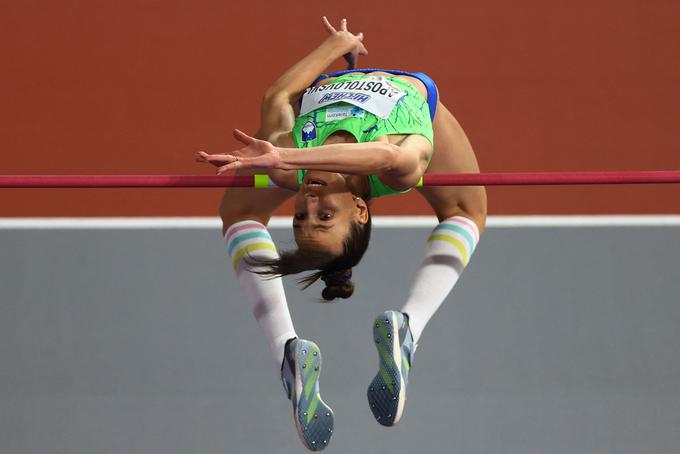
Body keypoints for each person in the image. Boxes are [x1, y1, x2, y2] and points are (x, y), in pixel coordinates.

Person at [198, 17, 486, 451]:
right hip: (413, 97)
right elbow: (382, 152)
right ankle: (409, 328)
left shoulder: (289, 162)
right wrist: (289, 156)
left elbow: (276, 96)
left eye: (300, 220)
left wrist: (337, 44)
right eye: (325, 217)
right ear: (360, 210)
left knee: (238, 212)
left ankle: (286, 350)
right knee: (467, 210)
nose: (309, 205)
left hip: (329, 96)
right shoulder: (403, 168)